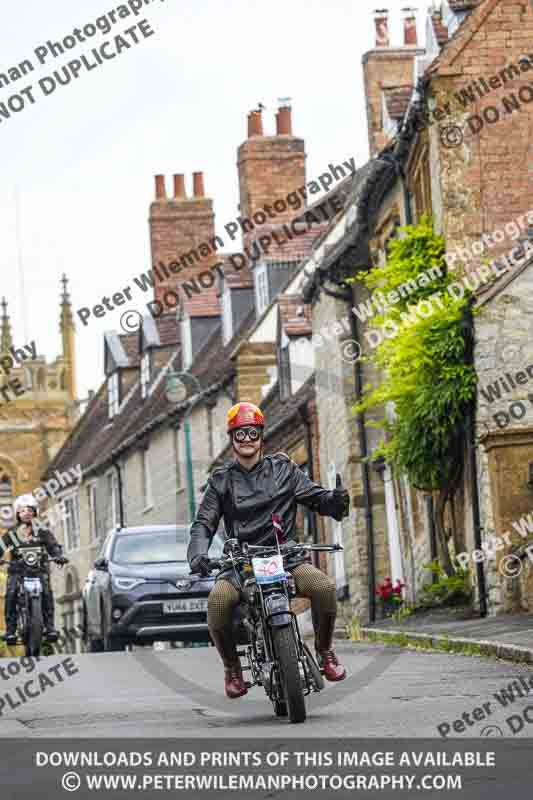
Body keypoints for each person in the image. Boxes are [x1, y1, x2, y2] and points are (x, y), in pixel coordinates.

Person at [187, 401, 350, 699]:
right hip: (241, 562)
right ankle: (233, 669)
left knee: (323, 587)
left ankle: (325, 652)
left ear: (261, 435)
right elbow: (203, 523)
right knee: (218, 602)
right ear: (232, 439)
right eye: (240, 434)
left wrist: (335, 501)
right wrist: (197, 554)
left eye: (252, 433)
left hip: (285, 556)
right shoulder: (221, 480)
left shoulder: (284, 469)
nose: (246, 440)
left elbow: (315, 498)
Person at [1, 494, 68, 645]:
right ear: (17, 513)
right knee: (11, 594)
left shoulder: (42, 530)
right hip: (17, 571)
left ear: (35, 512)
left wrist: (58, 555)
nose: (27, 513)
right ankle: (11, 631)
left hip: (38, 570)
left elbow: (52, 545)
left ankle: (50, 627)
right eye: (23, 510)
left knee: (47, 593)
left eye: (30, 510)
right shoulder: (12, 533)